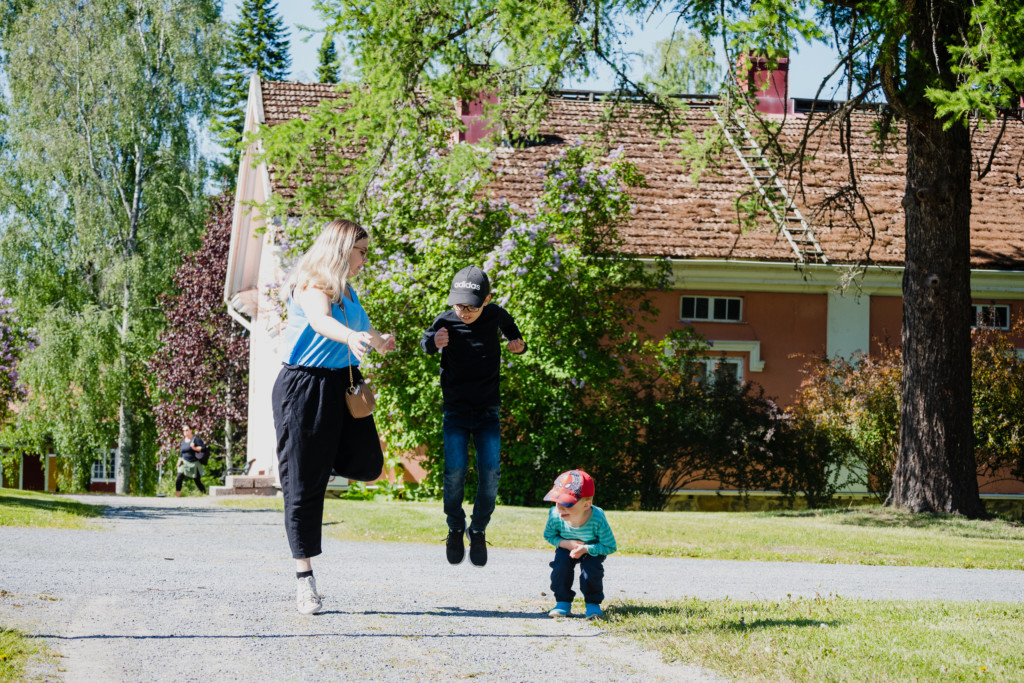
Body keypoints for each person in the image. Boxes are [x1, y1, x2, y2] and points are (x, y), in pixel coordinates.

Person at [271, 219, 396, 615]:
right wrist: (349, 337)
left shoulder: (349, 291)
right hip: (303, 390)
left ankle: (317, 464)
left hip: (342, 386)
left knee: (369, 463)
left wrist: (379, 341)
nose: (364, 258)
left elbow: (363, 327)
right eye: (360, 251)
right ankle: (304, 582)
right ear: (342, 249)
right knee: (302, 486)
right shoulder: (312, 283)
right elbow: (321, 322)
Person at [421, 266, 526, 568]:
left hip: (487, 411)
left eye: (471, 306)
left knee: (491, 473)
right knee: (455, 471)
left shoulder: (496, 315)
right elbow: (426, 343)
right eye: (459, 305)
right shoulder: (445, 320)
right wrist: (434, 342)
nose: (464, 311)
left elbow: (515, 338)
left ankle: (477, 529)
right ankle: (455, 526)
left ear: (487, 300)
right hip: (454, 410)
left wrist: (518, 347)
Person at [542, 469, 617, 619]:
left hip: (592, 547)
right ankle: (562, 602)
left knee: (591, 571)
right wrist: (566, 543)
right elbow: (549, 536)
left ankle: (592, 605)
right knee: (561, 567)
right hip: (567, 545)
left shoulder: (597, 519)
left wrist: (586, 549)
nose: (560, 507)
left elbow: (609, 546)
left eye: (567, 504)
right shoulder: (555, 515)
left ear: (586, 505)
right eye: (557, 501)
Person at [175, 426, 206, 497]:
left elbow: (204, 448)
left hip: (194, 463)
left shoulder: (196, 439)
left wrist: (194, 448)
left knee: (197, 481)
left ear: (191, 430)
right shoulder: (183, 441)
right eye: (183, 431)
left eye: (187, 430)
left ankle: (204, 494)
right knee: (179, 477)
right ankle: (177, 496)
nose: (185, 432)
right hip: (185, 462)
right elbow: (181, 452)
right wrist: (179, 460)